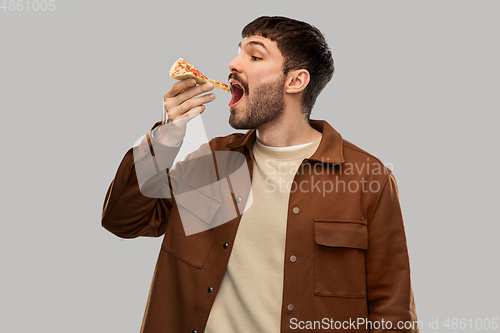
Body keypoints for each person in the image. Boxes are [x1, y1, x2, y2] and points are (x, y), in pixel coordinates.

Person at [102, 16, 419, 333]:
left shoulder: (368, 179)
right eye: (238, 52)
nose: (232, 63)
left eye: (254, 56)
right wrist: (166, 138)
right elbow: (125, 219)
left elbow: (392, 310)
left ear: (295, 82)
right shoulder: (214, 160)